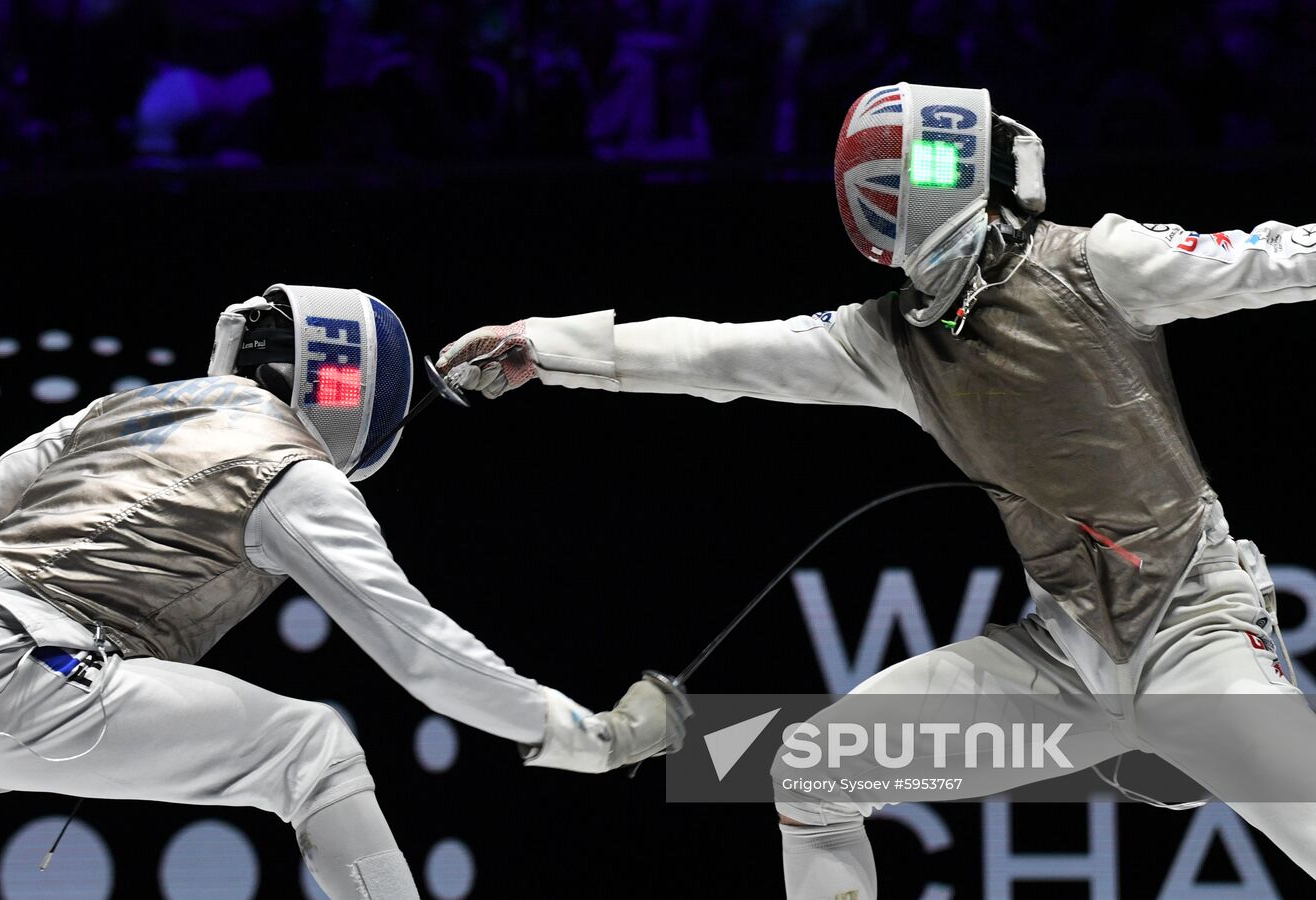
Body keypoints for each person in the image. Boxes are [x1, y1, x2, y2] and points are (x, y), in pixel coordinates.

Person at [436, 83, 1316, 898]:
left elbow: (1277, 261)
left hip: (1195, 635)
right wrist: (545, 347)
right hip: (1064, 663)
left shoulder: (1098, 266)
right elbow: (721, 356)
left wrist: (544, 347)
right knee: (815, 776)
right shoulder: (890, 341)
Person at [0, 284, 689, 899]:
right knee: (310, 749)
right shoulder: (292, 474)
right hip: (5, 670)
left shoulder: (123, 410)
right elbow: (420, 649)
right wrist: (595, 738)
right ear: (352, 398)